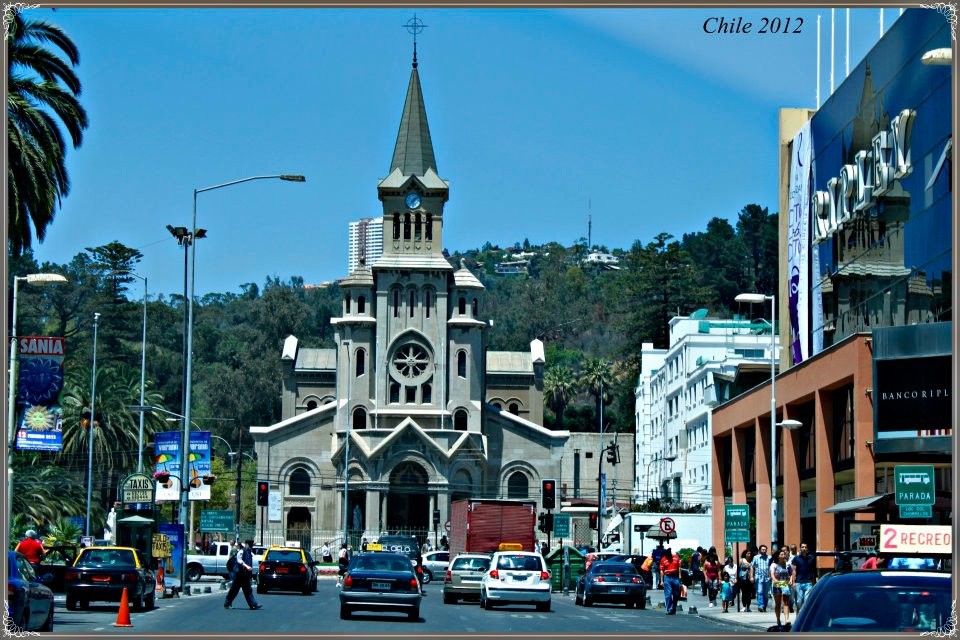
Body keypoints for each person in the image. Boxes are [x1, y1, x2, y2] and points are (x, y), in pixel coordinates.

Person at [224, 540, 262, 610]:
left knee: (248, 590)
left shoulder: (249, 552)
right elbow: (239, 560)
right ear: (247, 544)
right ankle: (227, 603)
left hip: (245, 575)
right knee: (234, 590)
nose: (251, 546)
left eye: (252, 545)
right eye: (250, 545)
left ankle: (253, 604)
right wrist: (246, 566)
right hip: (239, 574)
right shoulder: (242, 551)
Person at [790, 542, 816, 612]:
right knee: (799, 602)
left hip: (808, 583)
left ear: (807, 549)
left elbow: (813, 571)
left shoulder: (811, 558)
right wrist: (793, 582)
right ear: (800, 548)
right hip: (799, 582)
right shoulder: (796, 558)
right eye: (802, 547)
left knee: (806, 600)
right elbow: (794, 570)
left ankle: (803, 617)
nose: (804, 548)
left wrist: (814, 582)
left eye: (805, 547)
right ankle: (798, 614)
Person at [769, 547, 792, 627]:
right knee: (778, 603)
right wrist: (774, 579)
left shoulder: (787, 564)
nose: (783, 556)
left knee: (786, 602)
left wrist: (790, 579)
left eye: (784, 554)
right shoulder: (774, 565)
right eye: (781, 554)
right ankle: (778, 619)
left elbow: (790, 573)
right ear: (778, 556)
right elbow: (772, 574)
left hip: (784, 583)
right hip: (777, 583)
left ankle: (786, 619)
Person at [659, 547, 682, 615]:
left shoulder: (676, 557)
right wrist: (661, 580)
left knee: (676, 594)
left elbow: (679, 567)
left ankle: (673, 607)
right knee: (668, 594)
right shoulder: (663, 559)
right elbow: (661, 570)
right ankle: (669, 609)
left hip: (675, 577)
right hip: (667, 577)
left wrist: (680, 576)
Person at [750, 543, 772, 613]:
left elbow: (771, 567)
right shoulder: (756, 557)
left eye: (765, 550)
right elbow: (752, 567)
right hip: (758, 577)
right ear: (759, 550)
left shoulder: (769, 558)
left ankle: (764, 605)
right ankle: (760, 605)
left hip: (767, 578)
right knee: (760, 591)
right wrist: (751, 577)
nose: (764, 551)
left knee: (766, 593)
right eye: (762, 549)